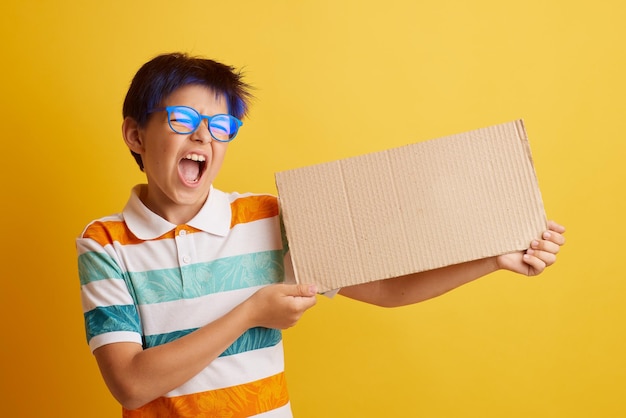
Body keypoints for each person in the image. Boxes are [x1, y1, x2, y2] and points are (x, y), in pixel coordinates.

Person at [76, 52, 566, 418]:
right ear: (136, 135)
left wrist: (492, 258)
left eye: (221, 126)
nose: (204, 137)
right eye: (183, 120)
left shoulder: (266, 218)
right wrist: (251, 313)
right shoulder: (104, 243)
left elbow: (388, 290)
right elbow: (131, 384)